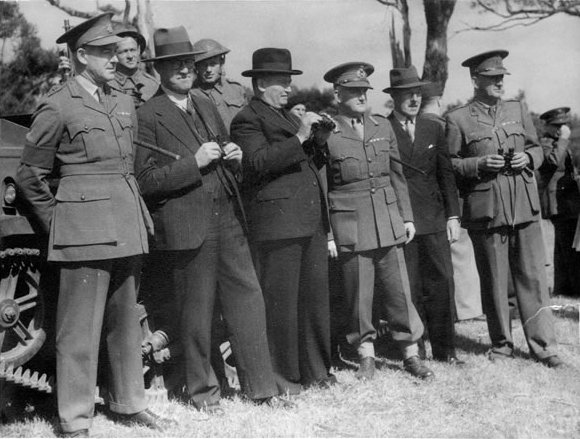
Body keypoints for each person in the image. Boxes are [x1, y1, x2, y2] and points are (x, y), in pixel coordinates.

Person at [15, 13, 170, 437]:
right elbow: (31, 177)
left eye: (114, 51)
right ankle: (75, 417)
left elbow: (126, 166)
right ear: (81, 56)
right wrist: (62, 224)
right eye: (104, 52)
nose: (114, 59)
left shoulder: (120, 100)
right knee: (79, 332)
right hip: (83, 232)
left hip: (125, 222)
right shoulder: (58, 104)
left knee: (125, 323)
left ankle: (128, 403)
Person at [134, 27, 293, 414]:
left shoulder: (205, 103)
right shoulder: (147, 114)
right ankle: (204, 393)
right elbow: (144, 180)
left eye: (188, 63)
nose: (185, 70)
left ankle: (262, 387)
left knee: (248, 302)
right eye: (175, 65)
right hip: (187, 227)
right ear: (160, 70)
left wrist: (234, 155)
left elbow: (222, 148)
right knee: (196, 313)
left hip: (228, 218)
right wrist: (195, 164)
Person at [445, 50, 563, 368]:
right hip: (487, 210)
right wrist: (479, 163)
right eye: (492, 77)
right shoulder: (458, 119)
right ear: (475, 80)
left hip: (524, 206)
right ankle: (501, 345)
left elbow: (537, 147)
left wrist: (531, 158)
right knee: (495, 281)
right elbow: (451, 165)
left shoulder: (517, 109)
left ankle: (544, 347)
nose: (499, 82)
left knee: (533, 277)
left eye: (501, 77)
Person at [230, 48, 336, 394]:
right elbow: (256, 163)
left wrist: (318, 141)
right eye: (281, 82)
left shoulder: (287, 117)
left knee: (315, 302)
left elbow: (308, 161)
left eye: (289, 82)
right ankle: (285, 378)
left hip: (308, 220)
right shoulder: (247, 119)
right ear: (261, 84)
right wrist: (302, 137)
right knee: (283, 306)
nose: (288, 88)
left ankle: (318, 373)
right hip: (278, 225)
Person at [322, 62, 434, 380]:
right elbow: (322, 187)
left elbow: (396, 175)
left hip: (387, 219)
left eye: (364, 90)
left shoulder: (381, 126)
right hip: (351, 224)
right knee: (359, 295)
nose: (361, 96)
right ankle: (366, 355)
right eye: (353, 91)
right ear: (337, 93)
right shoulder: (327, 132)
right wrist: (329, 234)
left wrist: (406, 217)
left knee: (400, 291)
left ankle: (411, 354)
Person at [385, 67, 462, 364]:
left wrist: (453, 216)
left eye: (417, 93)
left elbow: (446, 175)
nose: (414, 99)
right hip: (402, 220)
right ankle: (415, 350)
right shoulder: (383, 129)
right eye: (407, 94)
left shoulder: (433, 127)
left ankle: (446, 350)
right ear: (394, 98)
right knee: (410, 286)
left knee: (442, 281)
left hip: (433, 217)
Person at [420, 82, 483, 321]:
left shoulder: (415, 126)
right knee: (461, 254)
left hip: (428, 202)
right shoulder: (441, 126)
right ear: (438, 101)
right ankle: (466, 308)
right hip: (451, 196)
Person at [536, 107, 580, 297]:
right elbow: (552, 162)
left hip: (567, 200)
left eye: (563, 125)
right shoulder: (545, 143)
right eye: (557, 125)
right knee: (569, 247)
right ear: (546, 125)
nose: (561, 129)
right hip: (558, 202)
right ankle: (574, 287)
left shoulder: (557, 142)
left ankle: (564, 288)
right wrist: (563, 140)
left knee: (564, 247)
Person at [190, 38, 247, 131]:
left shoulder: (236, 89)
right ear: (196, 67)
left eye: (213, 64)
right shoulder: (191, 93)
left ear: (221, 63)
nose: (208, 70)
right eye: (203, 65)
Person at [108, 22, 158, 108]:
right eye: (123, 51)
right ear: (114, 54)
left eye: (133, 50)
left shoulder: (152, 84)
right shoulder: (107, 84)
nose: (130, 56)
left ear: (138, 50)